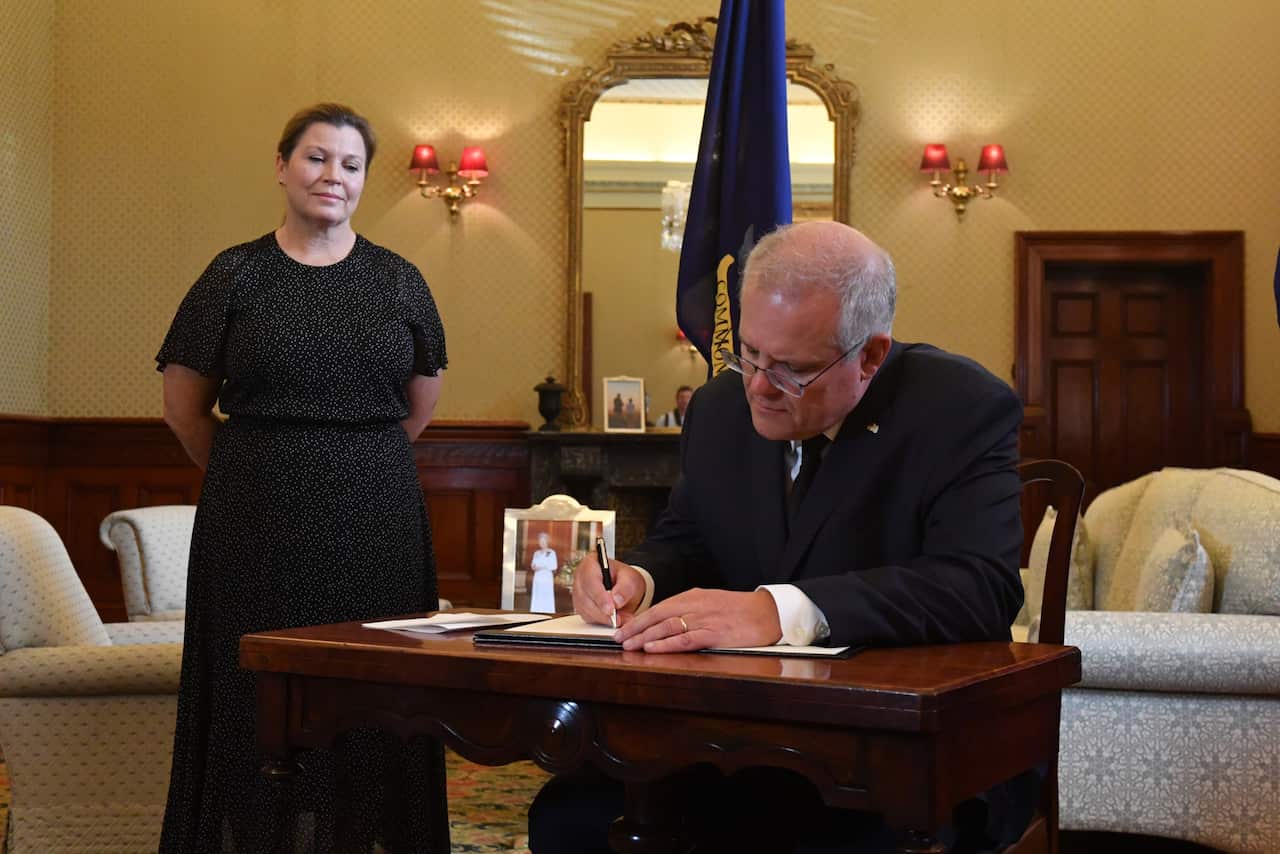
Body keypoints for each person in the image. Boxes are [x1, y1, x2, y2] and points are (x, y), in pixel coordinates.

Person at [529, 221, 1029, 853]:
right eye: (749, 353)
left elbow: (979, 586)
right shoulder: (720, 409)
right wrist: (637, 578)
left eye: (792, 370)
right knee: (570, 817)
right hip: (734, 732)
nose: (759, 387)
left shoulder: (958, 407)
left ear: (870, 356)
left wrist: (779, 611)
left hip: (891, 745)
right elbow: (689, 539)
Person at [156, 103, 450, 853]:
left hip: (376, 523)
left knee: (373, 693)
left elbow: (418, 406)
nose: (333, 176)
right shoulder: (234, 274)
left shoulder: (400, 280)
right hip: (253, 519)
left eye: (351, 165)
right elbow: (184, 409)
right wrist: (258, 469)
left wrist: (350, 465)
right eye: (317, 158)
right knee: (255, 695)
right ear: (282, 166)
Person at [529, 531, 559, 613]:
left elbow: (554, 566)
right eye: (540, 541)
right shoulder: (536, 553)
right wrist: (534, 567)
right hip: (537, 578)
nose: (541, 543)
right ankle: (536, 612)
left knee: (546, 595)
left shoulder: (551, 552)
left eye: (543, 541)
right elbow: (533, 565)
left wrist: (542, 567)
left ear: (547, 541)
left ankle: (547, 612)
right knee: (537, 595)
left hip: (546, 578)